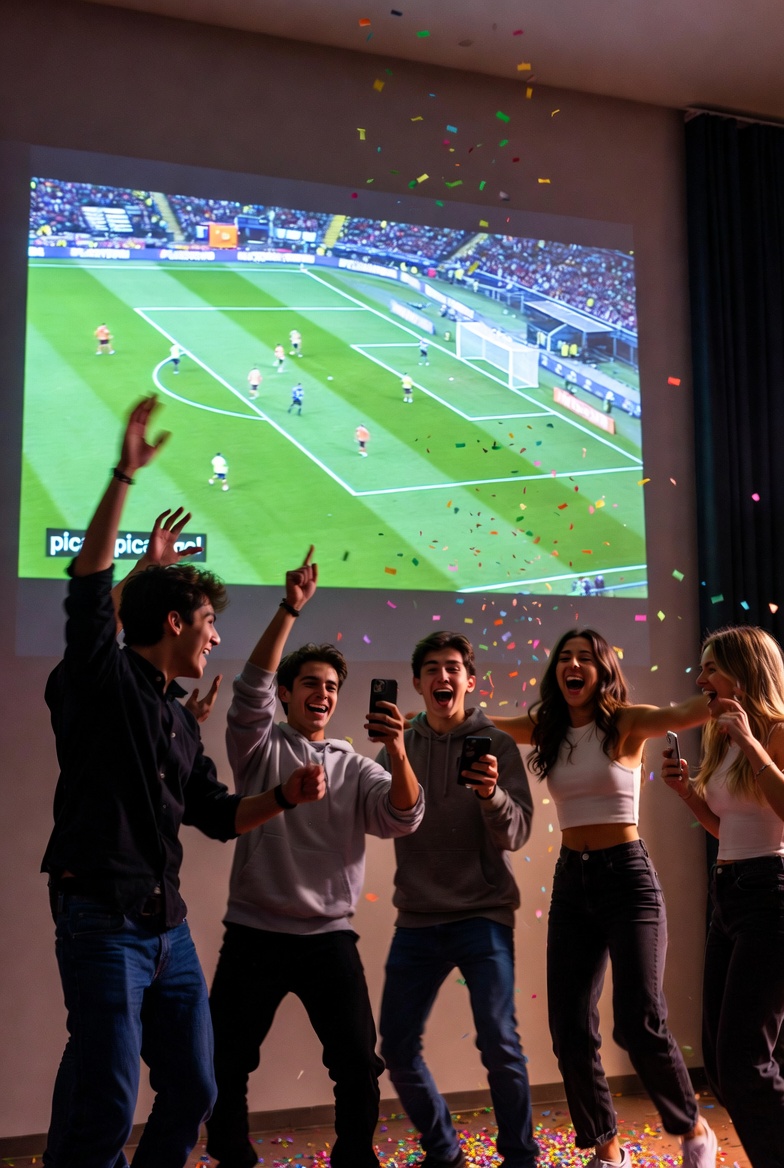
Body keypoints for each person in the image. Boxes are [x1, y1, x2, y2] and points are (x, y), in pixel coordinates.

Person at [41, 397, 326, 1168]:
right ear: (173, 624)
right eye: (207, 621)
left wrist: (285, 798)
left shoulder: (174, 715)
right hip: (102, 919)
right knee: (104, 1103)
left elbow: (217, 815)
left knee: (195, 1089)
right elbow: (89, 590)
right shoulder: (104, 683)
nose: (216, 634)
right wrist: (123, 477)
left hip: (168, 930)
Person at [206, 549, 424, 1168]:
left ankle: (353, 1157)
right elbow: (249, 691)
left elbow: (404, 816)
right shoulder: (258, 748)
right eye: (310, 685)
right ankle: (231, 1155)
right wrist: (289, 610)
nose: (323, 695)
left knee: (358, 1063)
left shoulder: (357, 767)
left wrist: (400, 753)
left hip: (329, 937)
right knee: (225, 1059)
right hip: (253, 932)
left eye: (332, 688)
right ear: (287, 694)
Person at [492, 629, 716, 1168]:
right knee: (568, 1026)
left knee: (638, 1018)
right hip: (573, 883)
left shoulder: (625, 722)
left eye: (585, 658)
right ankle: (607, 1150)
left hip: (627, 880)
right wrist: (424, 723)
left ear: (602, 670)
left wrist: (725, 684)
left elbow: (685, 712)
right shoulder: (547, 728)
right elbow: (484, 725)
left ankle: (693, 1127)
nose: (573, 665)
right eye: (565, 658)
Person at [378, 631, 537, 1168]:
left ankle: (519, 1157)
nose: (442, 678)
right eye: (431, 669)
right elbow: (390, 820)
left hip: (483, 914)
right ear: (419, 683)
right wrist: (394, 752)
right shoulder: (400, 742)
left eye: (452, 668)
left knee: (500, 1044)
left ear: (469, 681)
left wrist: (491, 794)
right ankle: (444, 1151)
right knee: (396, 1047)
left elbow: (516, 834)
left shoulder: (499, 744)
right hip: (417, 916)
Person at [662, 626, 784, 1168]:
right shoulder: (719, 735)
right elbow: (724, 828)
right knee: (718, 1062)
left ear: (744, 670)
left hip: (771, 895)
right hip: (728, 894)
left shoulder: (777, 731)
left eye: (710, 667)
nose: (699, 678)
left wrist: (754, 745)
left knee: (744, 1062)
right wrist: (687, 792)